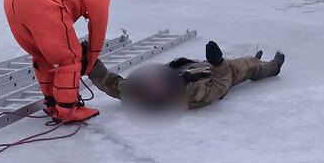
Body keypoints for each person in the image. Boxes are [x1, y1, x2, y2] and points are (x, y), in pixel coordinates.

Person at [3, 0, 121, 123]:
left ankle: (51, 104)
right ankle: (67, 110)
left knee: (42, 56)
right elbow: (98, 23)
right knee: (70, 58)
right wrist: (90, 60)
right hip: (44, 2)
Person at [87, 40, 285, 110]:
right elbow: (220, 85)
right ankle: (272, 67)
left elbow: (109, 82)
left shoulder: (136, 88)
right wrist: (217, 63)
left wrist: (91, 62)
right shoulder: (190, 95)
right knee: (246, 66)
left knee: (243, 61)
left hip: (196, 67)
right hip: (216, 76)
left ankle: (254, 61)